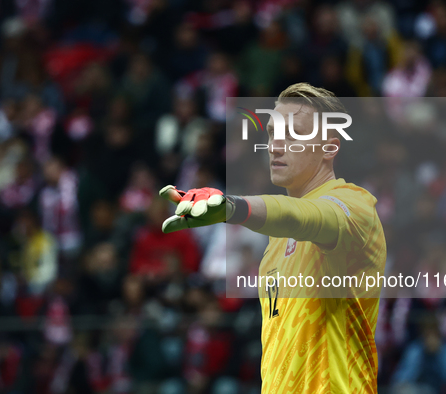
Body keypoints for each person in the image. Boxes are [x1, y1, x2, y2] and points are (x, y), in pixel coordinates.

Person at [160, 83, 387, 393]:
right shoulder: (275, 243)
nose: (275, 145)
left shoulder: (355, 207)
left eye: (293, 134)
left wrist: (234, 207)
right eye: (271, 133)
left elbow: (307, 217)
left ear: (329, 148)